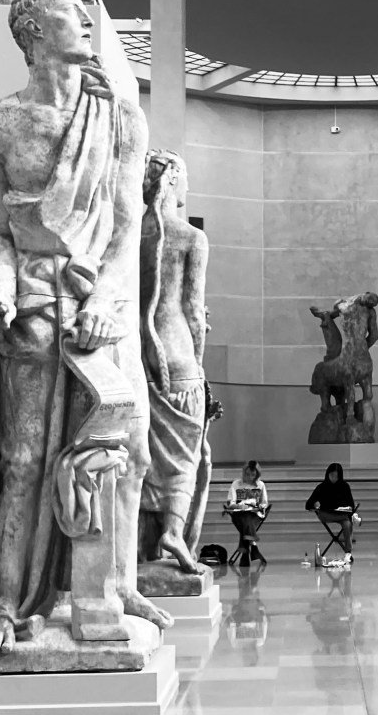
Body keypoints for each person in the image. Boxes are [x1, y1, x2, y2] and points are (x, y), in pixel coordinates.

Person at [0, 0, 166, 652]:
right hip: (32, 308)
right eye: (68, 15)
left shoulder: (118, 118)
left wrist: (106, 300)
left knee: (119, 452)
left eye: (85, 17)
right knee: (24, 460)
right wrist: (0, 287)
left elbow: (127, 226)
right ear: (33, 33)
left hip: (96, 306)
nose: (85, 22)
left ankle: (111, 587)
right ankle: (7, 605)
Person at [138, 149, 209, 573]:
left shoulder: (129, 235)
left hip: (138, 356)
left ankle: (140, 549)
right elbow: (194, 311)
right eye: (185, 177)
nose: (188, 187)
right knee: (185, 456)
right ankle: (172, 532)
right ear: (171, 178)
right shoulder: (191, 237)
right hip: (177, 356)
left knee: (142, 457)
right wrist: (199, 359)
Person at [305, 463, 359, 562]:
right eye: (332, 475)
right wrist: (316, 506)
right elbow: (308, 504)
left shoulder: (345, 486)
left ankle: (348, 552)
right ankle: (353, 518)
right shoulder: (321, 487)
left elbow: (351, 504)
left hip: (341, 514)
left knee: (347, 524)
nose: (334, 478)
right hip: (327, 514)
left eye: (336, 476)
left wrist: (348, 509)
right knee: (348, 519)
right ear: (327, 474)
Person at [225, 461, 269, 560]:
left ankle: (245, 555)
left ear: (257, 474)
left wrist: (259, 506)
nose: (250, 477)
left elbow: (264, 503)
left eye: (253, 475)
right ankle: (253, 546)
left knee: (247, 520)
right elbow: (230, 503)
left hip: (254, 515)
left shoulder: (260, 485)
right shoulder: (236, 484)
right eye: (247, 474)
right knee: (245, 518)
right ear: (244, 473)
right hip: (239, 514)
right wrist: (240, 506)